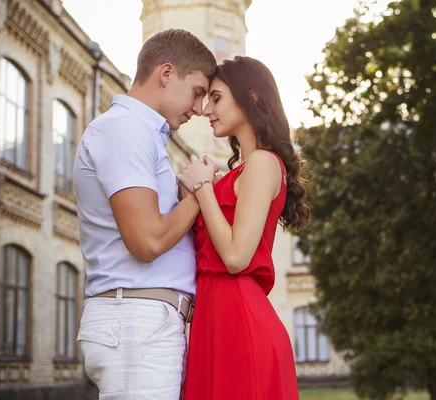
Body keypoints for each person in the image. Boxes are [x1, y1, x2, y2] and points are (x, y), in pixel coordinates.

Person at [72, 29, 216, 400]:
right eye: (197, 92)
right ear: (166, 74)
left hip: (145, 322)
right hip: (135, 321)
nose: (200, 108)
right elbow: (147, 240)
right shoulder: (125, 128)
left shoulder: (144, 134)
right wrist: (201, 194)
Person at [177, 56, 311, 400]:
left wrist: (203, 189)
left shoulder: (264, 163)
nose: (206, 109)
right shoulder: (240, 172)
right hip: (216, 320)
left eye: (216, 97)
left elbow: (236, 256)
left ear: (251, 96)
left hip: (239, 323)